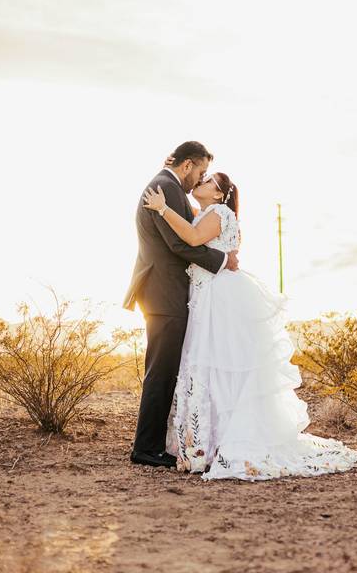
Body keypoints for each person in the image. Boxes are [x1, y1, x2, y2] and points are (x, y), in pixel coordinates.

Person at [141, 169, 357, 481]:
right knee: (213, 365)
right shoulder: (211, 211)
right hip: (207, 293)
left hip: (216, 298)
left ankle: (217, 443)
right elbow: (193, 221)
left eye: (207, 181)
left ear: (219, 194)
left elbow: (191, 237)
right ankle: (209, 442)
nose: (200, 183)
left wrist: (162, 209)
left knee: (214, 363)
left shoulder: (217, 212)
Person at [123, 141, 239, 468]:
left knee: (164, 370)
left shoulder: (165, 186)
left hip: (163, 292)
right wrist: (222, 260)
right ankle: (145, 449)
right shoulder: (166, 187)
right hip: (165, 293)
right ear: (187, 165)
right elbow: (179, 243)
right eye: (200, 172)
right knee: (161, 372)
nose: (198, 180)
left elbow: (190, 232)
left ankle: (153, 445)